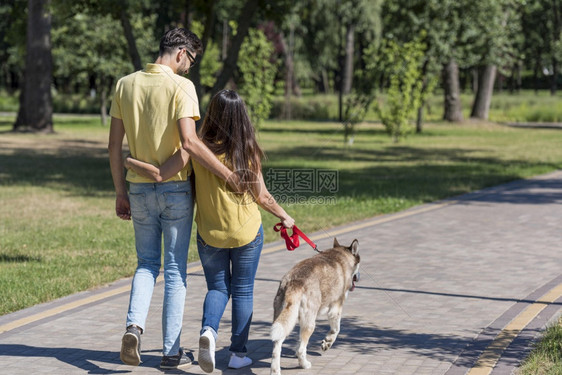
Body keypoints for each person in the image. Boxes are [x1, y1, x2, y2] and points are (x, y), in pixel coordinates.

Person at [124, 89, 295, 372]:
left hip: (210, 233)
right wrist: (285, 216)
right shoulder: (247, 150)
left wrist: (130, 161)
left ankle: (208, 333)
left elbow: (160, 174)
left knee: (217, 288)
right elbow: (263, 196)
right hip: (247, 234)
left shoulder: (195, 148)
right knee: (242, 292)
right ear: (242, 118)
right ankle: (238, 354)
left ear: (212, 114)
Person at [108, 28, 237, 370]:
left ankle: (134, 328)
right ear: (181, 53)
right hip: (176, 190)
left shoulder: (125, 84)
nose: (189, 69)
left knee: (146, 265)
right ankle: (169, 352)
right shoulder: (182, 87)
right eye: (190, 61)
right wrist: (228, 176)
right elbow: (190, 144)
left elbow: (113, 146)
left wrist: (121, 192)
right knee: (176, 271)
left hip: (137, 189)